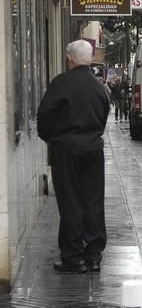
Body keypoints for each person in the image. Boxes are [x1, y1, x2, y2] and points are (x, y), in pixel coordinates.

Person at [37, 39, 110, 273]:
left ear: (69, 59)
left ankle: (73, 256)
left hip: (66, 149)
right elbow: (103, 115)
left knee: (70, 202)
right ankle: (94, 255)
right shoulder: (99, 87)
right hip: (93, 150)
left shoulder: (61, 83)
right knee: (93, 201)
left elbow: (45, 117)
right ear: (90, 59)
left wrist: (52, 138)